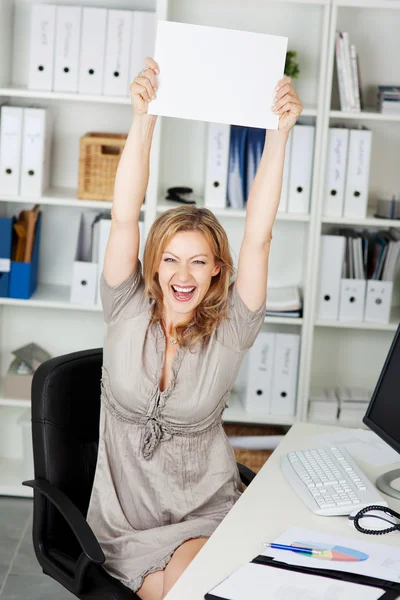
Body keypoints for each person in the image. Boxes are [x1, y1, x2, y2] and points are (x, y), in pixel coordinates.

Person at [86, 56, 303, 600]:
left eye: (199, 262)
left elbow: (259, 235)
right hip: (123, 519)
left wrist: (279, 135)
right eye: (171, 260)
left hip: (201, 513)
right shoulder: (125, 303)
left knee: (184, 588)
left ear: (217, 271)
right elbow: (124, 214)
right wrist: (145, 117)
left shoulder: (232, 328)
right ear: (153, 263)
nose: (183, 276)